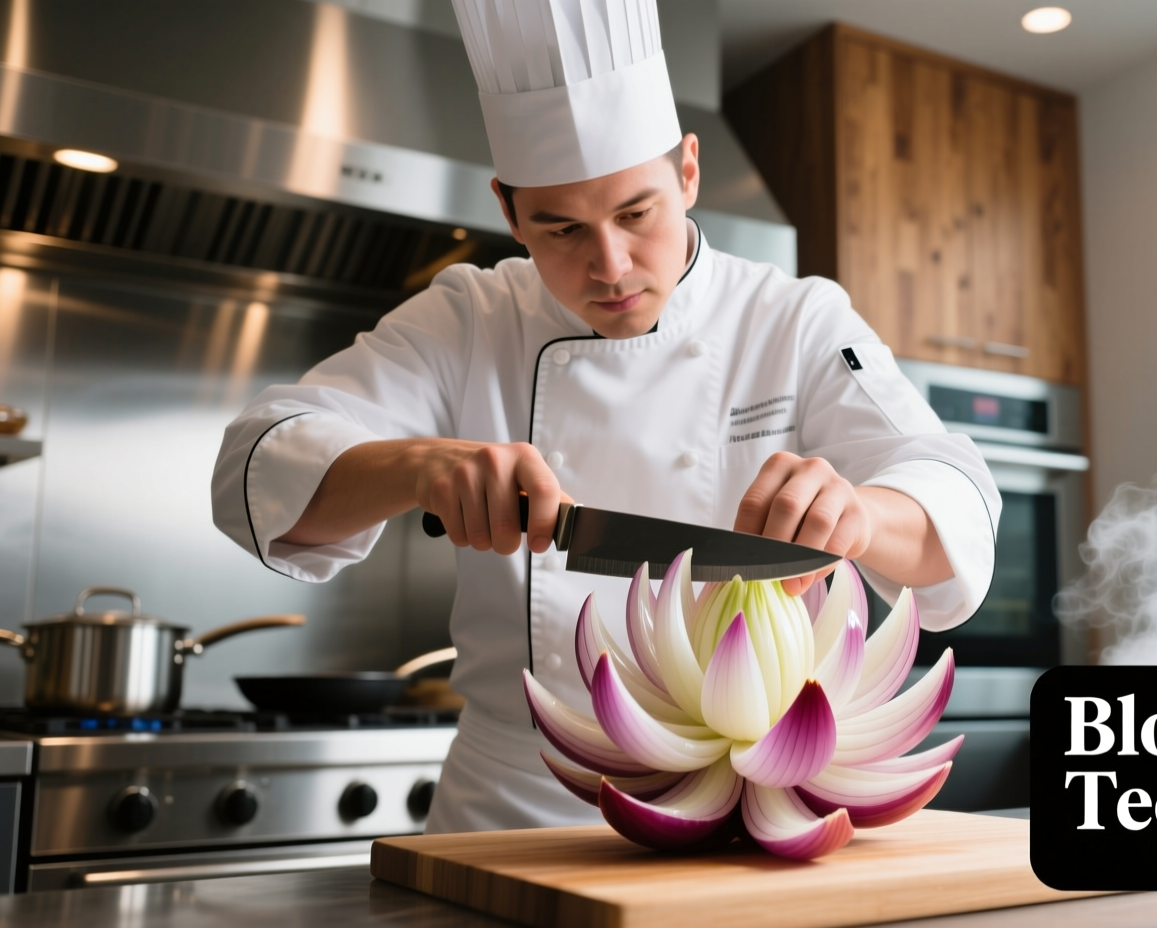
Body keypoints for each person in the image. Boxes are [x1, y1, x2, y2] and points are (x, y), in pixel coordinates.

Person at [211, 0, 999, 833]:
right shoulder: (470, 318)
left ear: (687, 172)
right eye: (560, 229)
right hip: (513, 813)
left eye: (636, 214)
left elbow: (953, 496)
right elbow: (255, 465)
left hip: (736, 809)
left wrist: (860, 514)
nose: (610, 266)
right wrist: (421, 467)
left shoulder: (794, 319)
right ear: (508, 211)